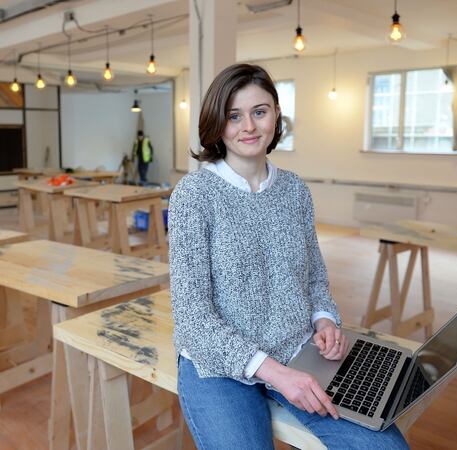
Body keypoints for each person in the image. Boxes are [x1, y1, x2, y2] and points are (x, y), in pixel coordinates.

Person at [168, 63, 409, 450]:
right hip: (218, 366)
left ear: (276, 115)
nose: (248, 127)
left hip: (298, 350)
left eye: (259, 112)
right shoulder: (194, 195)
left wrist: (325, 319)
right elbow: (193, 318)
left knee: (388, 448)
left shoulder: (294, 191)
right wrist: (275, 373)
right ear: (217, 122)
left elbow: (314, 278)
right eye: (234, 116)